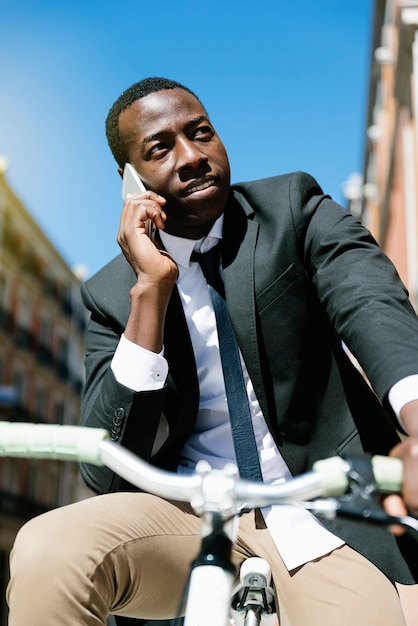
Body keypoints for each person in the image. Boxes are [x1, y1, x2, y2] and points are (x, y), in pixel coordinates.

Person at [7, 77, 418, 626]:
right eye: (161, 148)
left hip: (324, 510)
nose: (192, 156)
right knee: (48, 548)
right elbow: (106, 475)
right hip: (190, 517)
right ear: (129, 181)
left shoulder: (292, 208)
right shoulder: (109, 295)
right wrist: (149, 290)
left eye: (201, 134)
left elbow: (372, 303)